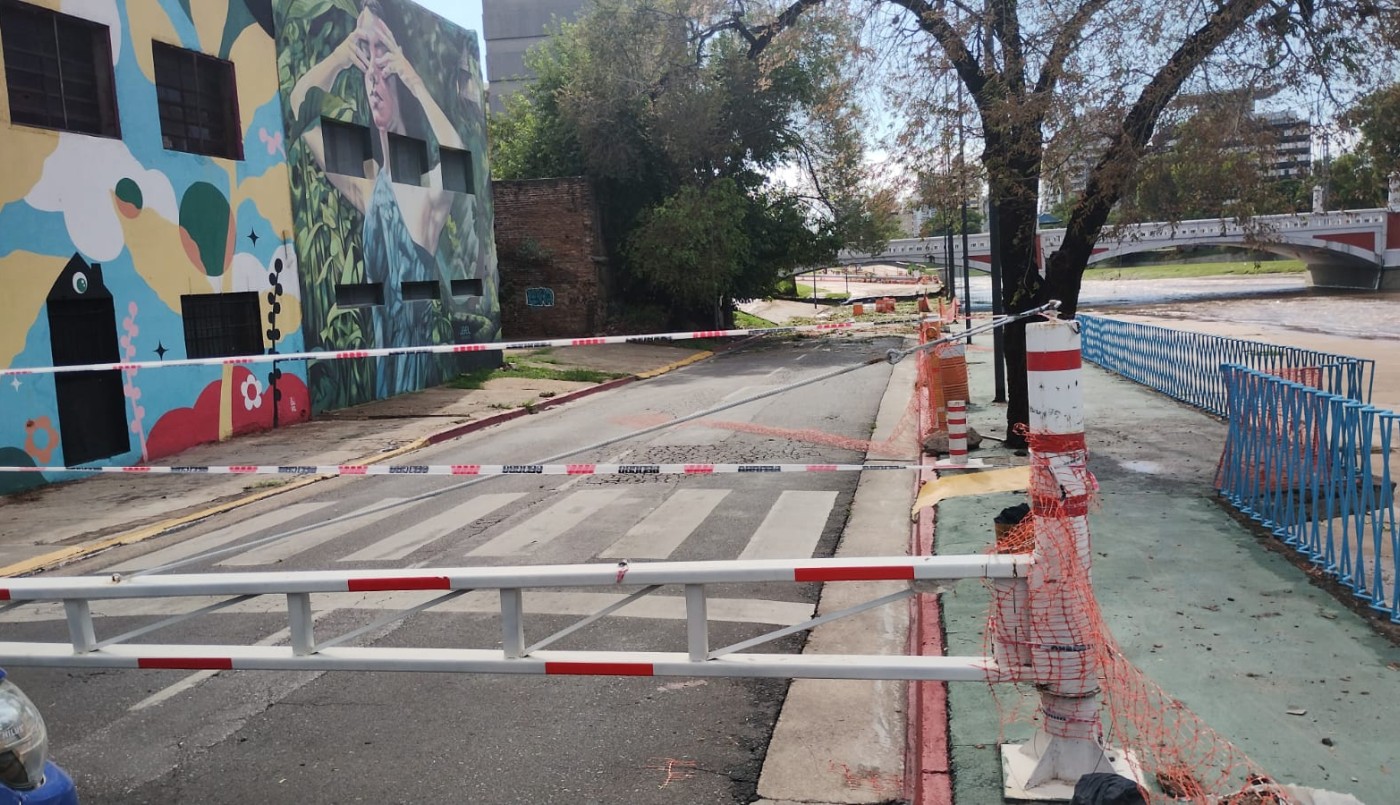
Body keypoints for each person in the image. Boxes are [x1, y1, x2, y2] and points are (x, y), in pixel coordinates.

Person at [290, 0, 465, 397]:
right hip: (385, 381)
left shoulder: (425, 190)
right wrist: (338, 57)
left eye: (380, 51)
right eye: (362, 49)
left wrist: (414, 81)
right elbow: (300, 111)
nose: (372, 70)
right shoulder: (370, 185)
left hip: (422, 383)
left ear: (401, 62)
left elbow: (458, 158)